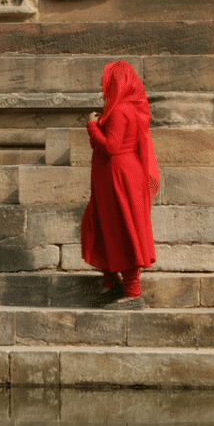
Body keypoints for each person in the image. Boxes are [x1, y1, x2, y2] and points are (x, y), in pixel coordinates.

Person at [81, 61, 159, 310]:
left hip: (119, 177)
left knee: (122, 228)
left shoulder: (119, 111)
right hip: (118, 176)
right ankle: (112, 283)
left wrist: (92, 126)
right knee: (108, 225)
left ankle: (132, 293)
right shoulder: (127, 109)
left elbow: (112, 147)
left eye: (106, 82)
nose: (102, 88)